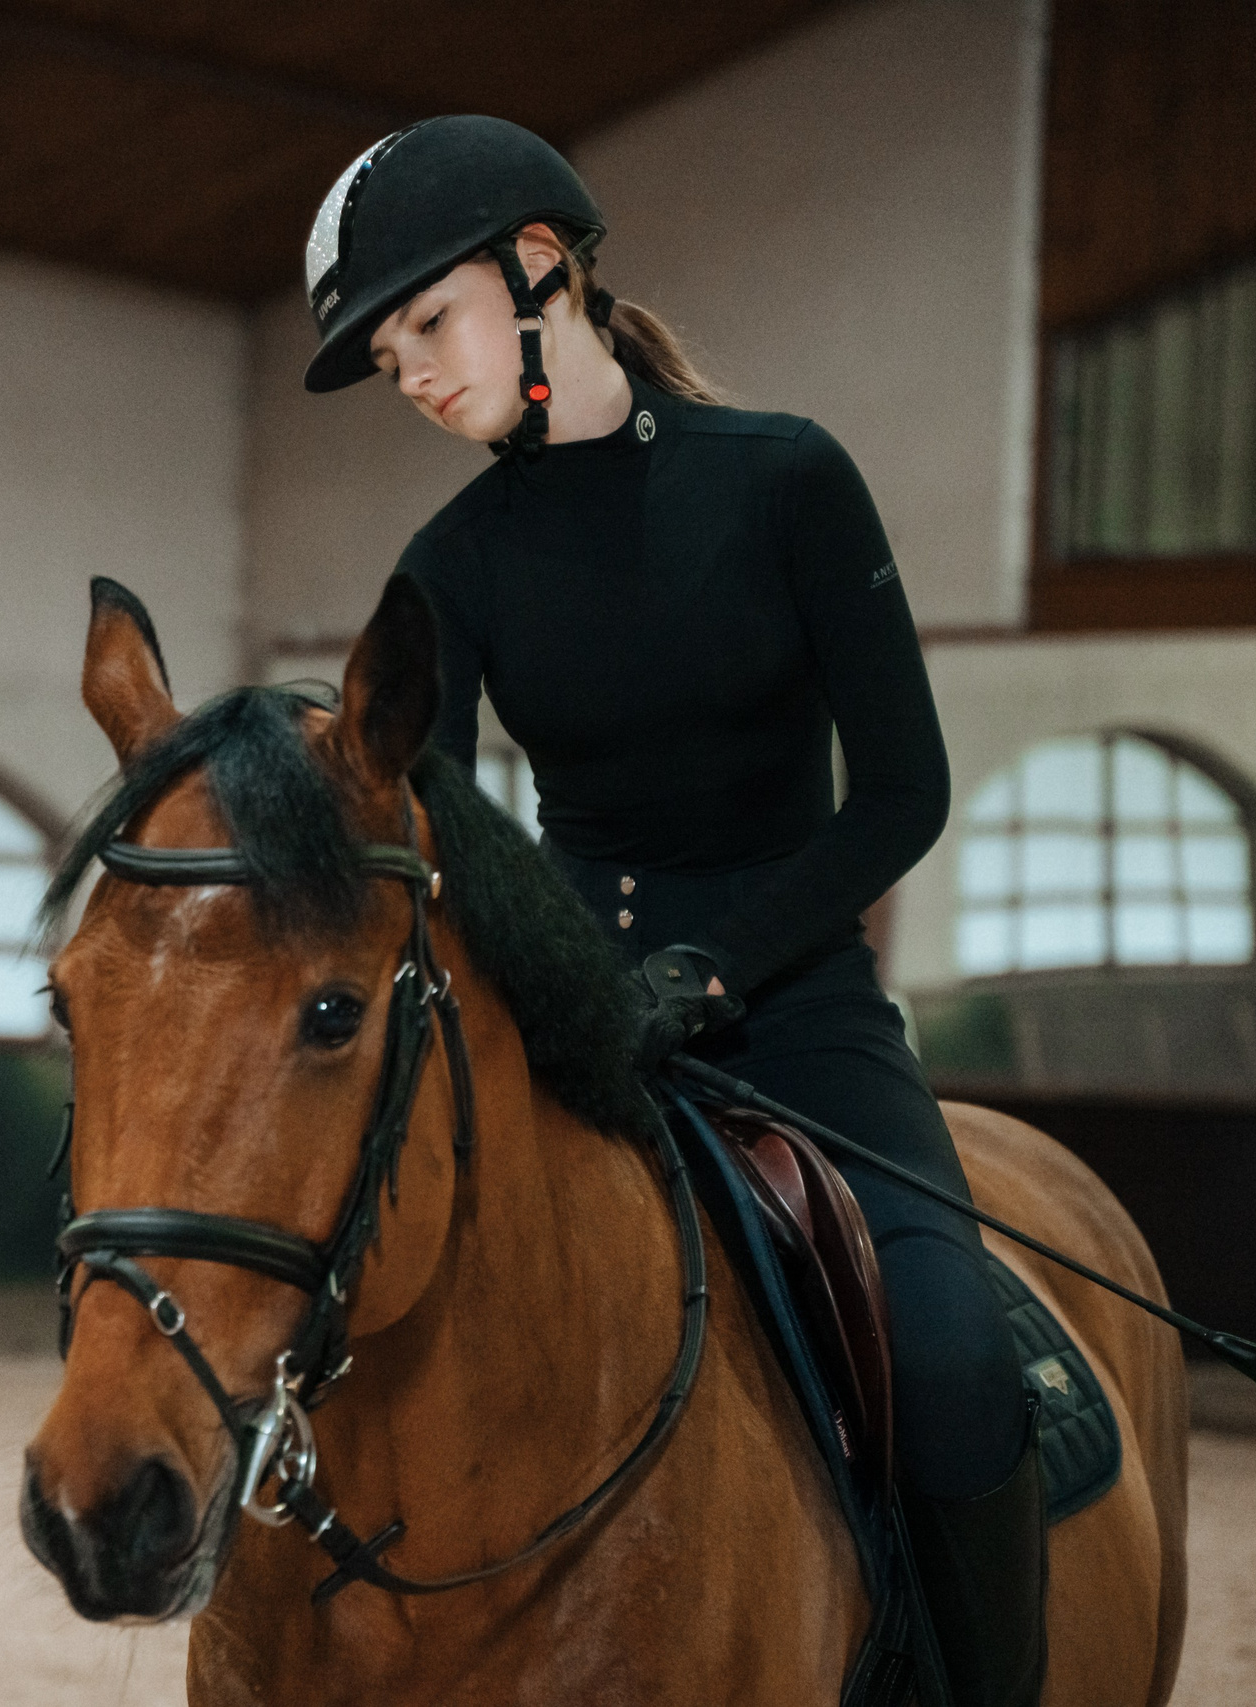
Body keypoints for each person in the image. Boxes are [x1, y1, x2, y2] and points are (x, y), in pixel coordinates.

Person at [300, 116, 1044, 1707]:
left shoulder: (788, 481)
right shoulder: (451, 562)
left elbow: (902, 796)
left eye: (427, 323)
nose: (411, 375)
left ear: (541, 267)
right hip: (580, 1019)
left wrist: (715, 966)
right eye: (387, 359)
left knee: (955, 1362)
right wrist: (564, 979)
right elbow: (435, 830)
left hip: (800, 1009)